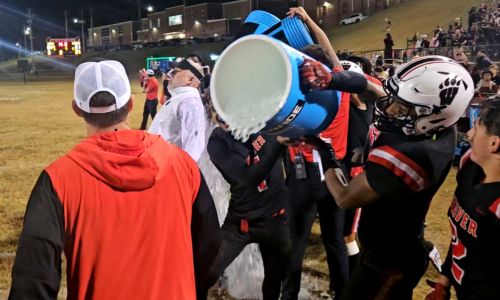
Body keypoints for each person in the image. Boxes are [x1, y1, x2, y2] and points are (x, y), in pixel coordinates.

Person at [8, 60, 220, 300]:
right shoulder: (183, 166)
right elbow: (210, 248)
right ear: (130, 104)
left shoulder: (58, 180)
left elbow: (32, 283)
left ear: (76, 108)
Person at [301, 55, 474, 299]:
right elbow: (370, 86)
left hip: (389, 264)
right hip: (390, 251)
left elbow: (344, 197)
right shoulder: (437, 127)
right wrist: (332, 79)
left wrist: (324, 150)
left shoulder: (413, 155)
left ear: (430, 115)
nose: (390, 109)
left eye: (402, 107)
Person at [206, 114, 291, 300]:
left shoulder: (264, 119)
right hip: (241, 223)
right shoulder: (218, 141)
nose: (223, 116)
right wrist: (277, 145)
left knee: (276, 279)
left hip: (275, 219)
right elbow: (247, 179)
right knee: (206, 271)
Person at [425, 99, 500, 300]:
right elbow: (463, 234)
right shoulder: (471, 165)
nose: (468, 134)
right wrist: (444, 280)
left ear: (494, 143)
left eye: (476, 128)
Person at [148, 58, 206, 162]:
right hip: (158, 165)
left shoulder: (190, 102)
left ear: (190, 79)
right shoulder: (182, 98)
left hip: (166, 170)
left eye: (175, 72)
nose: (169, 74)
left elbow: (192, 150)